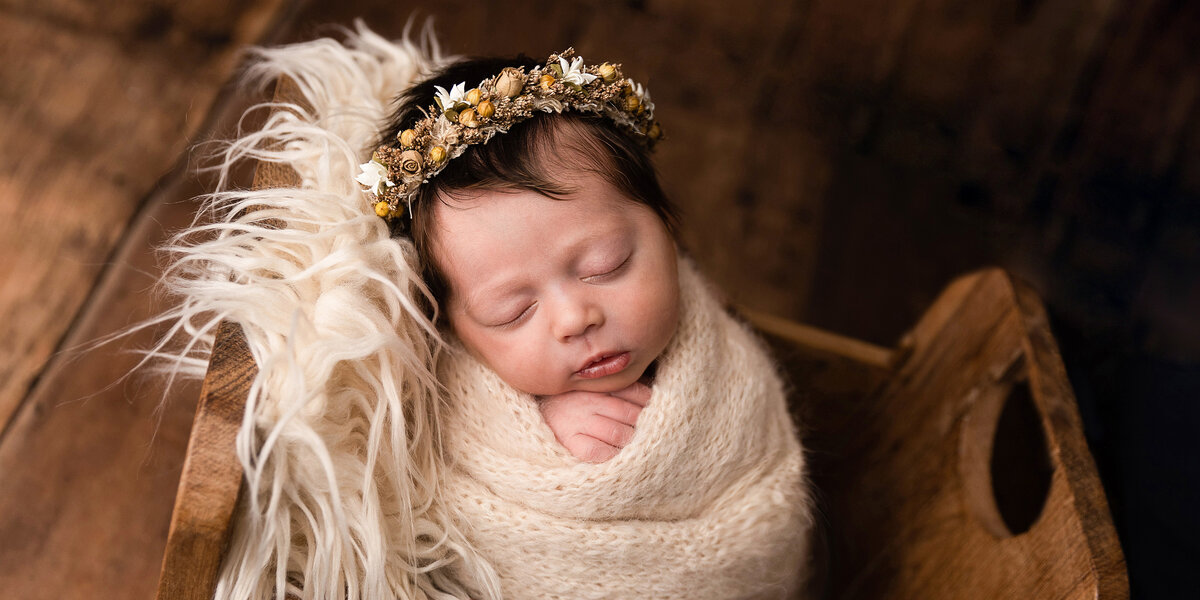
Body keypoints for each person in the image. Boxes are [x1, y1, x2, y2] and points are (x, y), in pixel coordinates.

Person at [358, 50, 813, 598]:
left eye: (608, 265)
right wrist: (543, 420)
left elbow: (769, 508)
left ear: (667, 229)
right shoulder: (448, 412)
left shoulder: (724, 368)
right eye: (513, 311)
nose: (575, 318)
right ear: (452, 328)